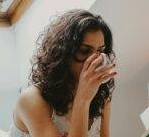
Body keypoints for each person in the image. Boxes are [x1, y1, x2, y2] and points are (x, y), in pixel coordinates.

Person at [9, 9, 117, 137]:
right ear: (63, 53)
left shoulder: (100, 94)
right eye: (84, 51)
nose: (96, 60)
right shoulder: (31, 99)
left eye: (100, 51)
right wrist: (83, 100)